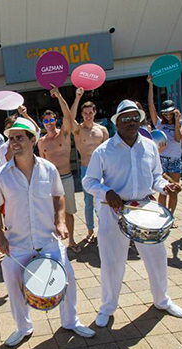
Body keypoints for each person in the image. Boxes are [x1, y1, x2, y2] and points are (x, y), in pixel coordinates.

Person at [0, 118, 96, 346]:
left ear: (32, 140)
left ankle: (70, 320)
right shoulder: (2, 175)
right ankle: (23, 328)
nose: (15, 142)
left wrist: (61, 221)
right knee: (13, 285)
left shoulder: (49, 169)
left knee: (67, 278)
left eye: (20, 138)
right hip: (17, 244)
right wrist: (0, 236)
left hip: (48, 240)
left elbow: (59, 196)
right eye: (11, 138)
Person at [82, 100, 182, 328]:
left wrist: (164, 187)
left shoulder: (149, 146)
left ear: (140, 121)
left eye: (134, 118)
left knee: (157, 258)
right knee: (112, 263)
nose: (131, 122)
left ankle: (162, 300)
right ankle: (107, 308)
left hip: (144, 209)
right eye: (125, 118)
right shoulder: (104, 150)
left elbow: (157, 176)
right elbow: (88, 181)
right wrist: (106, 191)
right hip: (114, 211)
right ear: (116, 123)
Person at [38, 85, 80, 253]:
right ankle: (54, 243)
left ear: (56, 120)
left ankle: (72, 240)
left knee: (69, 211)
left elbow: (69, 117)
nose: (49, 123)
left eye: (51, 120)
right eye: (46, 121)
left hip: (67, 177)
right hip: (50, 181)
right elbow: (41, 163)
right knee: (52, 214)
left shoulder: (63, 133)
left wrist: (59, 96)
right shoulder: (41, 142)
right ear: (43, 123)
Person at [70, 88, 109, 244]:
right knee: (88, 201)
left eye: (90, 112)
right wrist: (77, 98)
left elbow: (109, 152)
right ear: (82, 114)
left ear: (94, 112)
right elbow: (69, 117)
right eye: (85, 113)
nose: (88, 115)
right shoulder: (78, 130)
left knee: (104, 200)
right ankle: (90, 230)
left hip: (103, 170)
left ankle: (104, 228)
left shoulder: (103, 130)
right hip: (87, 168)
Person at [147, 76, 182, 216]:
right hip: (162, 159)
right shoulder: (159, 123)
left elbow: (177, 138)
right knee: (163, 190)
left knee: (174, 189)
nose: (168, 115)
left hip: (175, 160)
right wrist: (151, 85)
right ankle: (163, 216)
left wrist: (177, 121)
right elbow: (151, 105)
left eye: (170, 112)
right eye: (165, 113)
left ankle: (171, 215)